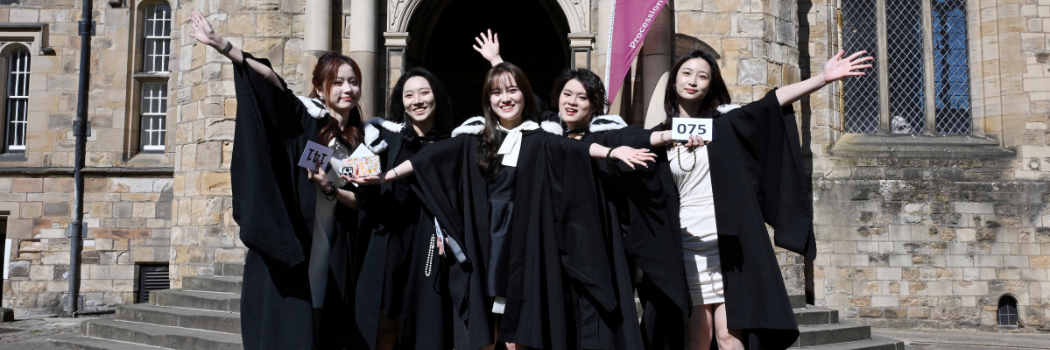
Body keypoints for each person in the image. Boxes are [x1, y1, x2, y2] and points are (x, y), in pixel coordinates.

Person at [351, 62, 656, 350]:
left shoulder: (540, 139)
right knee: (482, 334)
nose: (505, 98)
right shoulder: (475, 139)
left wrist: (612, 153)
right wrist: (383, 176)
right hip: (484, 249)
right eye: (496, 92)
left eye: (512, 90)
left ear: (525, 93)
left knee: (516, 338)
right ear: (488, 99)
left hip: (523, 248)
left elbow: (576, 148)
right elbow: (426, 161)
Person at [472, 30, 703, 350]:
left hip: (595, 251)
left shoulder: (605, 133)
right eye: (567, 94)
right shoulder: (546, 132)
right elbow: (517, 99)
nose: (572, 102)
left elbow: (635, 139)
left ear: (595, 104)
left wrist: (670, 136)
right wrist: (496, 61)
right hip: (552, 249)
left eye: (581, 97)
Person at [637, 49, 871, 350]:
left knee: (729, 339)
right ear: (673, 81)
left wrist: (823, 78)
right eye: (686, 73)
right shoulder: (658, 137)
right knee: (697, 337)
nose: (693, 80)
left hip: (727, 248)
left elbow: (771, 103)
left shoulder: (725, 126)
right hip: (686, 248)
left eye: (703, 75)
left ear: (711, 85)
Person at [189, 11, 368, 349]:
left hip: (337, 240)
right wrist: (224, 46)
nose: (348, 89)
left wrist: (329, 188)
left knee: (328, 322)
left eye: (353, 81)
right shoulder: (307, 120)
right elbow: (271, 81)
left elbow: (363, 200)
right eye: (339, 82)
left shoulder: (364, 140)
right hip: (298, 235)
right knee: (297, 322)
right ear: (320, 87)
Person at [355, 67, 455, 350]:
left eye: (424, 92)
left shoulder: (452, 144)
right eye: (409, 95)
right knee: (384, 329)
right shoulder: (387, 140)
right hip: (391, 241)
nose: (417, 100)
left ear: (437, 96)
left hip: (429, 243)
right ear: (402, 101)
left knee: (424, 327)